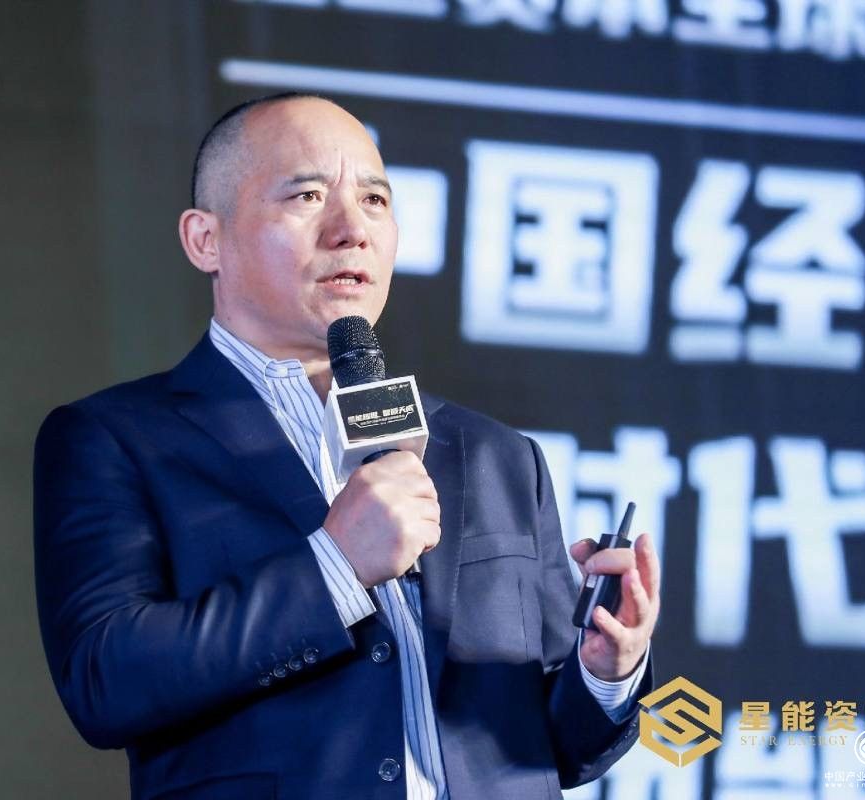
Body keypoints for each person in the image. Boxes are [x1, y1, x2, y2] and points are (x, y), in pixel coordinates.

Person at [33, 93, 660, 800]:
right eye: (307, 196)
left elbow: (546, 751)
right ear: (206, 239)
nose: (351, 230)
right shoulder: (117, 439)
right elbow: (104, 681)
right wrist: (335, 566)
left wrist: (606, 672)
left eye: (374, 200)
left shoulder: (495, 454)